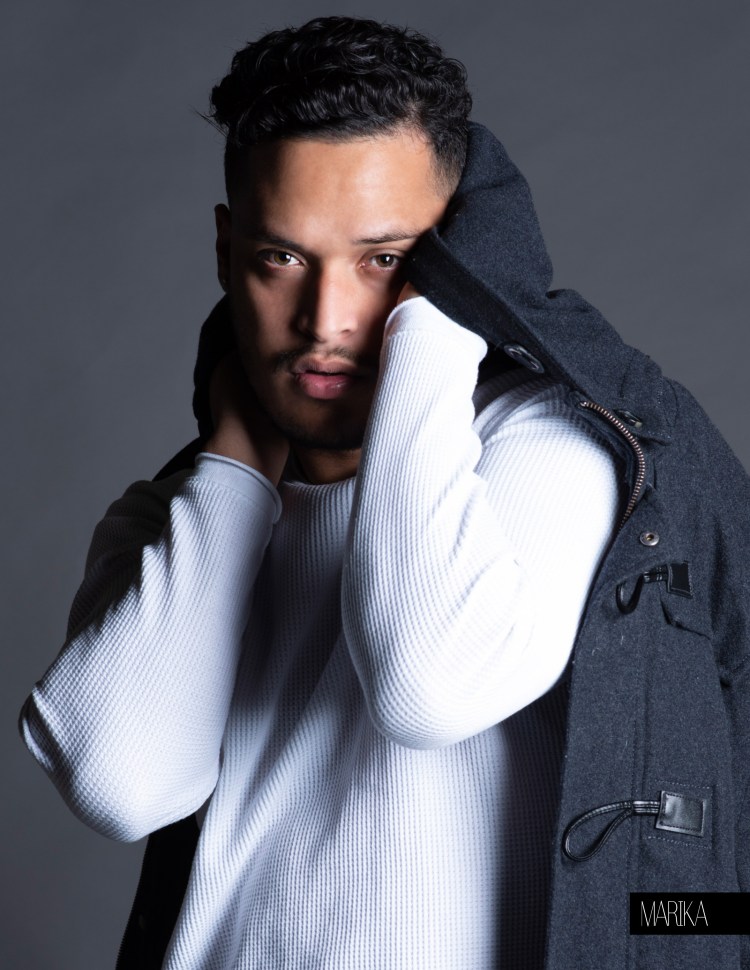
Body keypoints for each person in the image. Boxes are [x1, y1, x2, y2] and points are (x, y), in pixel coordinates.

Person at [19, 15, 750, 970]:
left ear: (455, 257)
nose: (327, 321)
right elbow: (123, 786)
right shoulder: (175, 514)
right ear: (226, 249)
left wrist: (444, 322)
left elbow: (427, 689)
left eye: (384, 260)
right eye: (282, 258)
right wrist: (235, 466)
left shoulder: (550, 449)